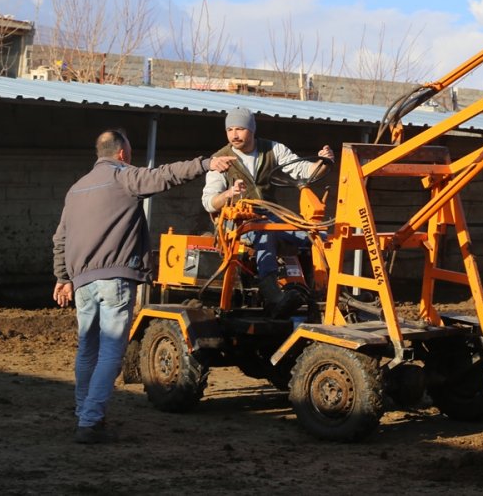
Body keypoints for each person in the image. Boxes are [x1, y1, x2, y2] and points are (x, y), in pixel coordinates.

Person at [52, 129, 237, 444]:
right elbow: (165, 176)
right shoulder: (124, 177)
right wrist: (206, 164)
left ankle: (84, 412)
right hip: (115, 279)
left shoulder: (76, 189)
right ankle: (90, 422)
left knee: (88, 349)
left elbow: (60, 238)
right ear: (123, 153)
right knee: (111, 351)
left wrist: (62, 278)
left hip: (81, 282)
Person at [201, 107, 333, 317]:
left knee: (316, 234)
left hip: (271, 214)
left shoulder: (273, 149)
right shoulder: (220, 159)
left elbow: (304, 171)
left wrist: (323, 162)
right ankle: (273, 296)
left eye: (240, 129)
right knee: (266, 233)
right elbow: (208, 202)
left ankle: (325, 291)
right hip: (237, 222)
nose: (234, 135)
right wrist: (228, 194)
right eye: (230, 130)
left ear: (252, 129)